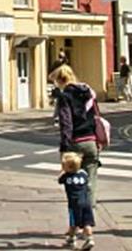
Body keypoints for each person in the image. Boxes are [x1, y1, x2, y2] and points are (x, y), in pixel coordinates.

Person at [52, 65, 101, 206]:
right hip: (91, 140)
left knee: (73, 183)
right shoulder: (88, 93)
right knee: (90, 181)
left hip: (75, 142)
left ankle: (78, 213)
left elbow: (66, 123)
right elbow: (96, 117)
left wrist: (64, 147)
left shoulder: (65, 97)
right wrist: (98, 140)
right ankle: (89, 213)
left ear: (60, 81)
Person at [58, 151, 95, 250]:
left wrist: (62, 171)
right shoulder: (83, 174)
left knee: (74, 223)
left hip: (74, 204)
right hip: (86, 202)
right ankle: (90, 239)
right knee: (87, 223)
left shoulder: (66, 177)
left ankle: (71, 239)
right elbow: (87, 182)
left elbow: (59, 180)